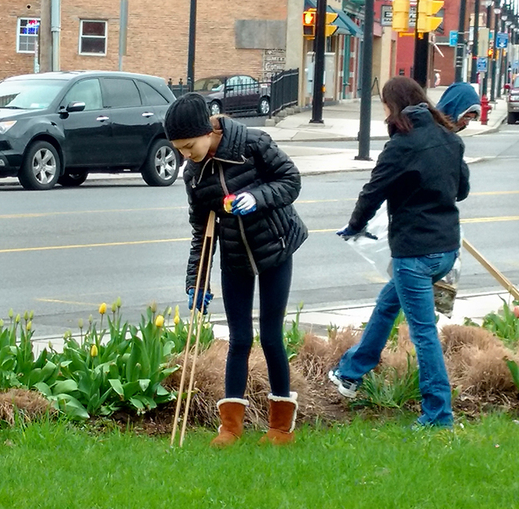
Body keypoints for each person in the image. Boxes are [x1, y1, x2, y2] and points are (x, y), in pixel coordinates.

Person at [164, 93, 308, 446]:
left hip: (275, 247)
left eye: (188, 146)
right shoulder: (195, 175)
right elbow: (202, 231)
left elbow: (291, 180)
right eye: (179, 149)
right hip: (234, 257)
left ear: (206, 131)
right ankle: (230, 427)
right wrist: (194, 281)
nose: (186, 155)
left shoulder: (252, 143)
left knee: (272, 336)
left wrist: (257, 197)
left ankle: (280, 428)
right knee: (239, 339)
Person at [332, 76, 470, 429]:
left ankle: (439, 415)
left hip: (414, 255)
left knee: (423, 334)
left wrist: (353, 226)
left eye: (384, 106)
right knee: (387, 304)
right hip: (446, 251)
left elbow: (373, 191)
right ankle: (350, 373)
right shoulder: (449, 138)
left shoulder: (401, 146)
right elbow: (462, 190)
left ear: (394, 107)